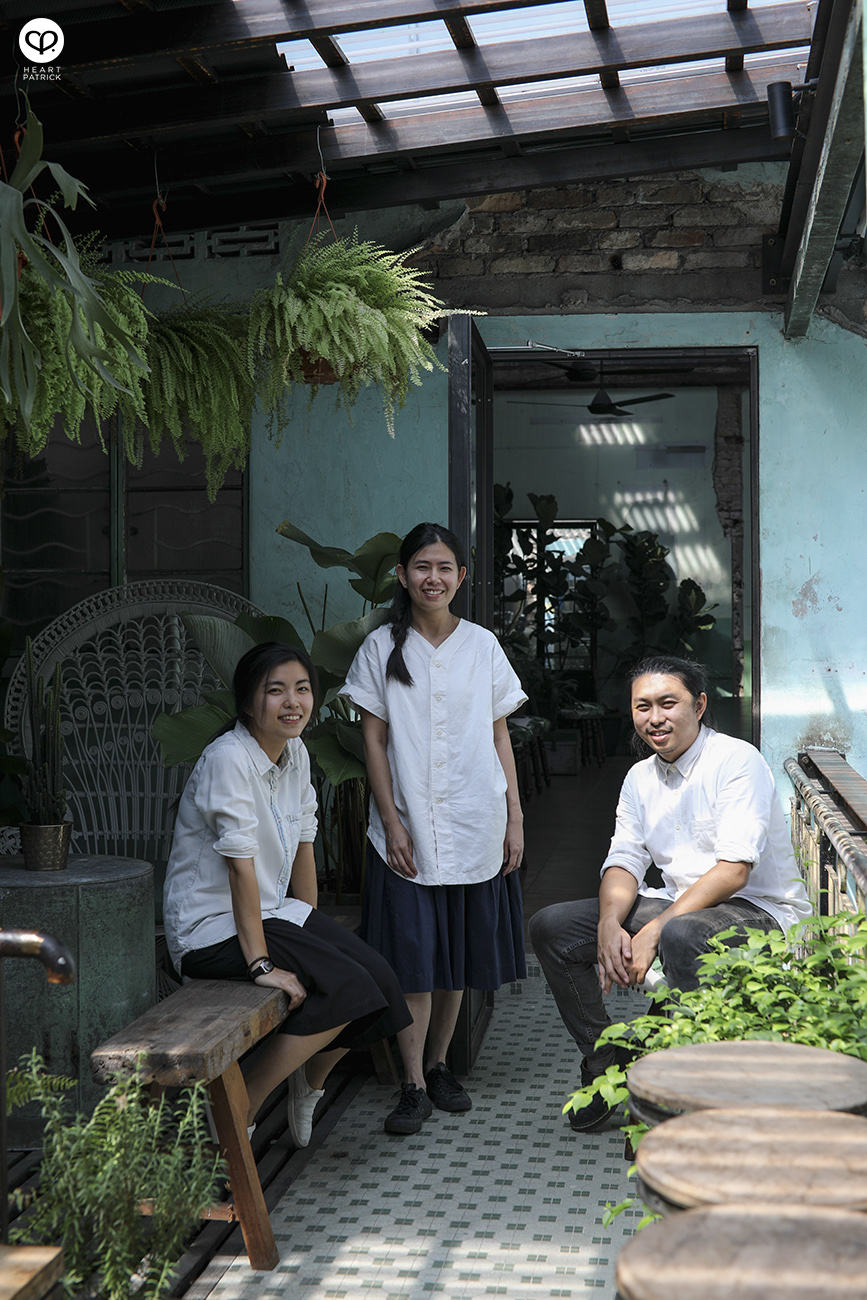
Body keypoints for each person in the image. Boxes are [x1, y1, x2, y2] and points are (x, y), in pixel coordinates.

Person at [529, 654, 811, 1133]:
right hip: (682, 909)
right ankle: (606, 1065)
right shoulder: (640, 777)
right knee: (552, 927)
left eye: (668, 703)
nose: (654, 718)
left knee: (681, 933)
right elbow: (624, 860)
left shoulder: (736, 760)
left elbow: (735, 870)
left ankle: (680, 1091)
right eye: (643, 706)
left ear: (699, 705)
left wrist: (656, 928)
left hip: (761, 913)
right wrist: (608, 925)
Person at [163, 641, 412, 1147]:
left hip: (273, 914)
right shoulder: (228, 760)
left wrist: (314, 929)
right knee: (348, 988)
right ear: (248, 703)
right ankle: (242, 1106)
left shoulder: (293, 751)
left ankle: (309, 1083)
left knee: (382, 981)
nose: (292, 701)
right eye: (275, 691)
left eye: (302, 689)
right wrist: (260, 966)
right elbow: (239, 872)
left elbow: (304, 844)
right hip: (211, 931)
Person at [342, 522, 528, 1135]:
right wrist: (391, 819)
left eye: (445, 567)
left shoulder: (483, 646)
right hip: (409, 825)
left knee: (456, 955)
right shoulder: (378, 650)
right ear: (403, 575)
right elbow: (373, 740)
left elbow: (500, 734)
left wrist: (515, 818)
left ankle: (440, 1064)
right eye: (422, 567)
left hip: (477, 816)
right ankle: (412, 1085)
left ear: (461, 577)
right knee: (415, 958)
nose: (433, 578)